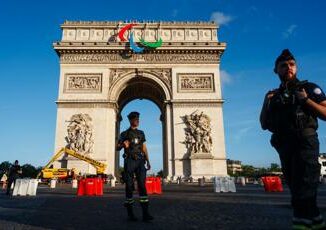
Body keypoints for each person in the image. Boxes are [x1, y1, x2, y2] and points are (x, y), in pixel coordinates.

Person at [260, 49, 326, 229]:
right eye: (283, 65)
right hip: (284, 146)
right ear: (276, 70)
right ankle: (317, 224)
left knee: (303, 191)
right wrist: (266, 102)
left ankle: (301, 225)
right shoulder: (274, 96)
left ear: (296, 67)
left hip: (305, 142)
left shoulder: (310, 88)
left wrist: (306, 101)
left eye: (291, 64)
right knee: (298, 191)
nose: (288, 68)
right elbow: (264, 124)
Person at [117, 111, 154, 222]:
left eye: (138, 119)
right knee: (129, 187)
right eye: (135, 119)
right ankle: (130, 213)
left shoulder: (141, 133)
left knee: (142, 186)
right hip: (129, 161)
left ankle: (145, 213)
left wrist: (148, 160)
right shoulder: (124, 134)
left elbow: (144, 148)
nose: (137, 121)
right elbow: (117, 147)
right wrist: (123, 144)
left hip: (140, 161)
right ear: (131, 120)